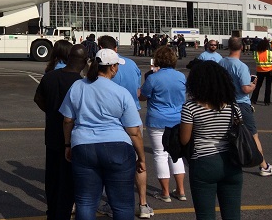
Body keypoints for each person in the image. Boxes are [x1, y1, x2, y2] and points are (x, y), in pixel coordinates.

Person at [60, 49, 146, 220]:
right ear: (113, 68)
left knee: (85, 202)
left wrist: (67, 145)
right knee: (122, 205)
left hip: (83, 145)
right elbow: (134, 131)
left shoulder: (78, 86)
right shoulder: (121, 92)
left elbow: (68, 120)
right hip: (117, 146)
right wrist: (141, 157)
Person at [180, 60, 243, 220]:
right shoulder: (233, 107)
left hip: (203, 162)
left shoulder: (191, 107)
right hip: (232, 162)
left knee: (205, 214)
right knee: (232, 214)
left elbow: (185, 139)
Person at [97, 35, 152, 218]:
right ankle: (143, 204)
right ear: (116, 48)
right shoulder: (132, 65)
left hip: (111, 117)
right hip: (133, 115)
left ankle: (111, 203)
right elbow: (138, 90)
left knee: (108, 163)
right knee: (138, 161)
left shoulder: (99, 68)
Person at [34, 44, 87, 220]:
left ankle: (52, 212)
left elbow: (38, 99)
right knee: (68, 182)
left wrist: (51, 111)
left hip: (51, 135)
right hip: (71, 138)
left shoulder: (50, 77)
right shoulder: (80, 84)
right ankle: (61, 214)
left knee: (52, 179)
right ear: (84, 62)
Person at [219, 37, 272, 177]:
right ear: (242, 47)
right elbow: (245, 89)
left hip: (225, 102)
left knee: (228, 134)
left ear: (229, 47)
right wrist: (253, 85)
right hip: (240, 103)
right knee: (253, 135)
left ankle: (229, 162)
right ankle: (263, 166)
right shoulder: (241, 66)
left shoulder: (221, 62)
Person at [140, 46, 187, 204]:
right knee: (176, 154)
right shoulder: (181, 76)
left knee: (160, 154)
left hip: (158, 119)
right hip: (177, 118)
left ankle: (165, 192)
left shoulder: (153, 78)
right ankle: (181, 190)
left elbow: (144, 96)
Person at [251, 39, 272, 106]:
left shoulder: (256, 53)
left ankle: (253, 99)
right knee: (268, 86)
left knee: (258, 86)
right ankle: (267, 101)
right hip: (270, 70)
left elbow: (255, 59)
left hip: (260, 71)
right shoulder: (269, 52)